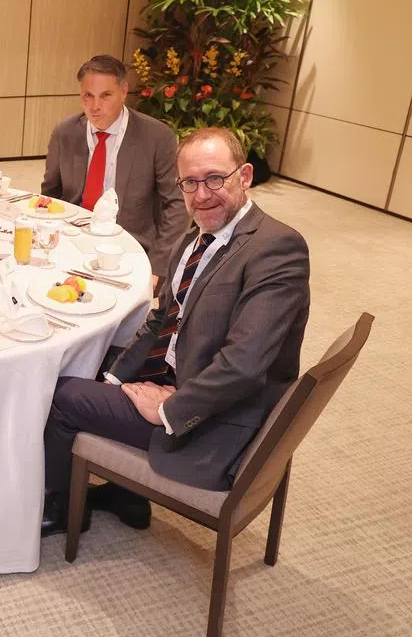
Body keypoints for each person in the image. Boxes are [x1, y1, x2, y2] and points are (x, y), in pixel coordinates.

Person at [41, 127, 310, 536]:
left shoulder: (277, 249)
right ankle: (126, 492)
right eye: (190, 182)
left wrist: (169, 408)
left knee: (62, 394)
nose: (201, 194)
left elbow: (244, 365)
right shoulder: (199, 236)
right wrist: (113, 379)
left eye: (215, 179)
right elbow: (162, 319)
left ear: (246, 176)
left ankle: (60, 509)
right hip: (186, 368)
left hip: (219, 420)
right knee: (91, 360)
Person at [41, 55, 189, 286]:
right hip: (73, 240)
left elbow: (178, 205)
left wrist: (158, 267)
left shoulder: (157, 137)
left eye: (105, 96)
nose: (95, 106)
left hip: (131, 246)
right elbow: (51, 193)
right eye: (88, 96)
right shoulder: (65, 133)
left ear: (123, 91)